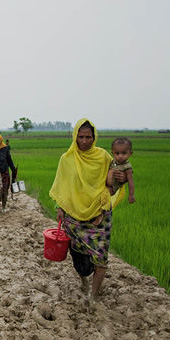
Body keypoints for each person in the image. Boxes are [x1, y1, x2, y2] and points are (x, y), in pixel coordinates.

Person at [49, 119, 127, 305]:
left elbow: (113, 183)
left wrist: (122, 179)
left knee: (101, 257)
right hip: (74, 215)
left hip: (99, 215)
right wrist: (60, 208)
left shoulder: (104, 157)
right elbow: (62, 186)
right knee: (77, 254)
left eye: (88, 137)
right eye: (81, 137)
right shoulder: (66, 159)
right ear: (75, 136)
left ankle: (93, 296)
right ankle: (84, 280)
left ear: (94, 137)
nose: (84, 141)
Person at [107, 137, 136, 204]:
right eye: (117, 153)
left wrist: (131, 195)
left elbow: (131, 182)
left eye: (124, 153)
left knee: (103, 199)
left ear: (130, 153)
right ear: (112, 153)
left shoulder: (127, 168)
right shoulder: (113, 161)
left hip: (112, 188)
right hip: (104, 185)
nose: (120, 156)